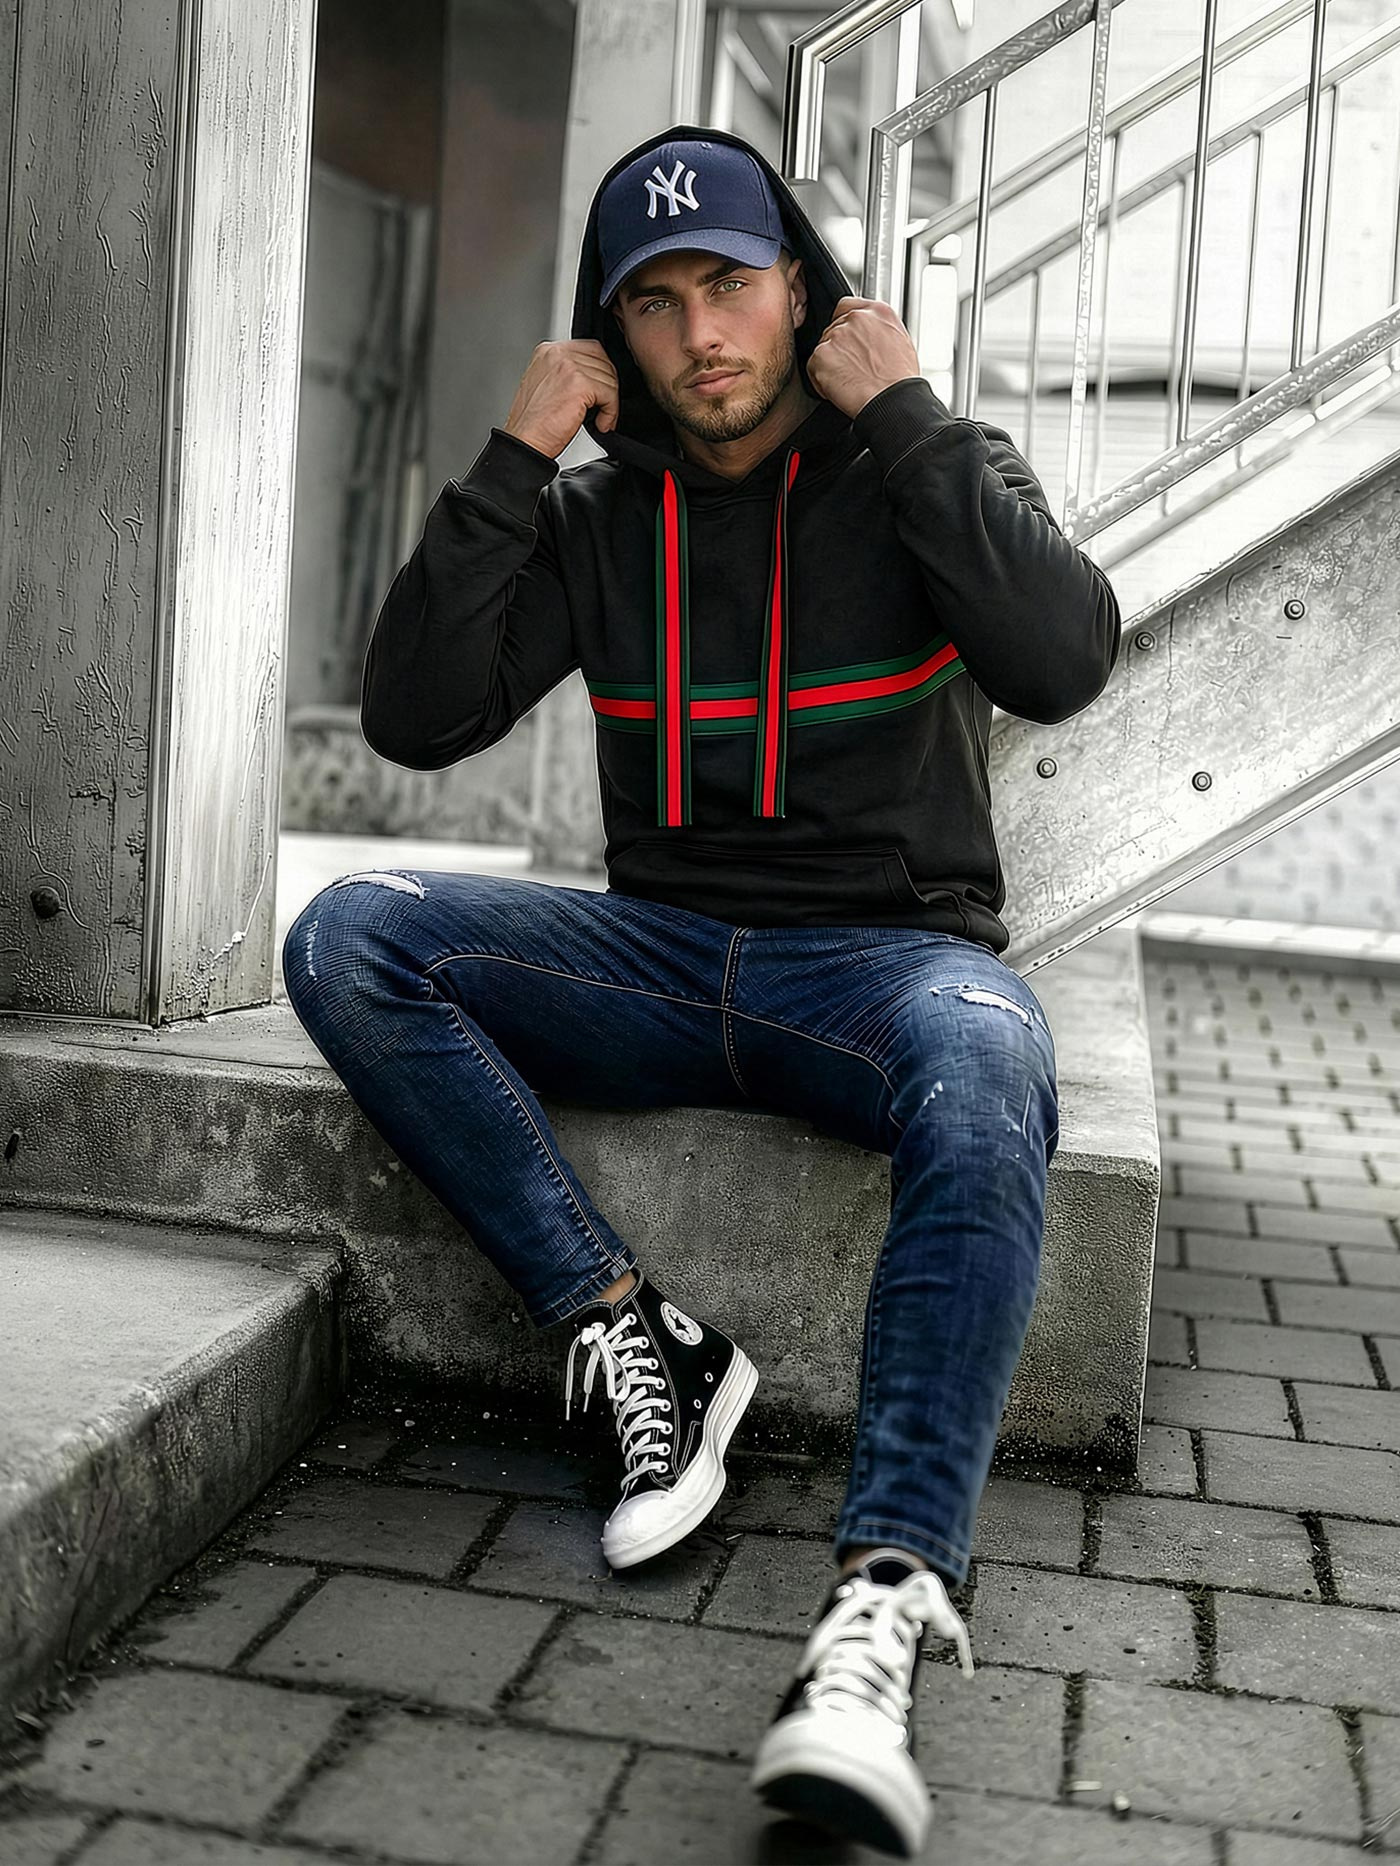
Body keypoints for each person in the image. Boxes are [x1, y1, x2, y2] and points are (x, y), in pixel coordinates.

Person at [282, 124, 1121, 1858]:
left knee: (990, 1058)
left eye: (728, 285)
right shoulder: (599, 516)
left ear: (799, 289)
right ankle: (627, 1327)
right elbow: (417, 716)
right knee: (352, 933)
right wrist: (516, 454)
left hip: (885, 969)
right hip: (660, 959)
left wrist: (911, 416)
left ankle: (881, 1609)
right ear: (616, 335)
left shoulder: (924, 468)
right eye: (653, 305)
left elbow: (1064, 657)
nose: (699, 335)